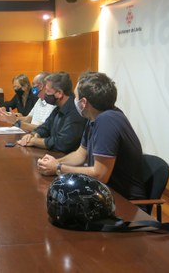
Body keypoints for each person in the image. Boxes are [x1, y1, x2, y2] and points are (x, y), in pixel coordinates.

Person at [37, 72, 146, 200]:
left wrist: (58, 168)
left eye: (76, 97)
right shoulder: (94, 117)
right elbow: (80, 155)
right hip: (103, 192)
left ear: (83, 102)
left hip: (123, 201)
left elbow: (100, 175)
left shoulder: (107, 121)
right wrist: (54, 163)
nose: (74, 100)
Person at [17, 72, 87, 153]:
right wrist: (34, 134)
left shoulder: (75, 112)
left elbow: (62, 143)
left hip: (66, 159)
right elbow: (46, 126)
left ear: (59, 93)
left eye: (47, 91)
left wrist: (34, 141)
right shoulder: (58, 107)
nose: (45, 94)